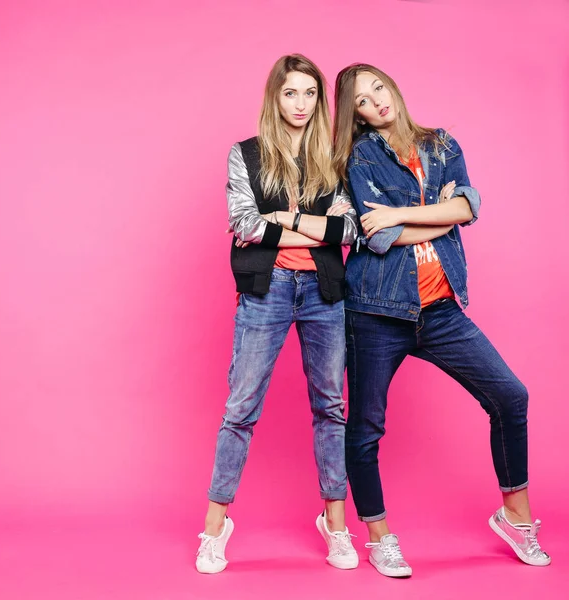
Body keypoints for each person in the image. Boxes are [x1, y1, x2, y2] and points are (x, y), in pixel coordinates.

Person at [332, 63, 551, 577]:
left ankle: (516, 518)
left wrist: (397, 213)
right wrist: (429, 215)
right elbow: (377, 236)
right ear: (356, 115)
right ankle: (379, 536)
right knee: (365, 427)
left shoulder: (440, 143)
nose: (376, 101)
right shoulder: (359, 156)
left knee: (509, 396)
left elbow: (469, 206)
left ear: (393, 86)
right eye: (362, 100)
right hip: (376, 310)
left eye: (378, 88)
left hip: (442, 308)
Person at [195, 54, 359, 574]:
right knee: (241, 407)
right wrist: (316, 227)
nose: (301, 104)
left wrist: (282, 219)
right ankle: (215, 529)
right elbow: (243, 224)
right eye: (291, 93)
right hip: (265, 291)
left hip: (323, 292)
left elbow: (349, 232)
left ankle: (336, 525)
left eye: (310, 94)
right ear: (275, 96)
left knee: (331, 406)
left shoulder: (334, 157)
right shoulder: (244, 155)